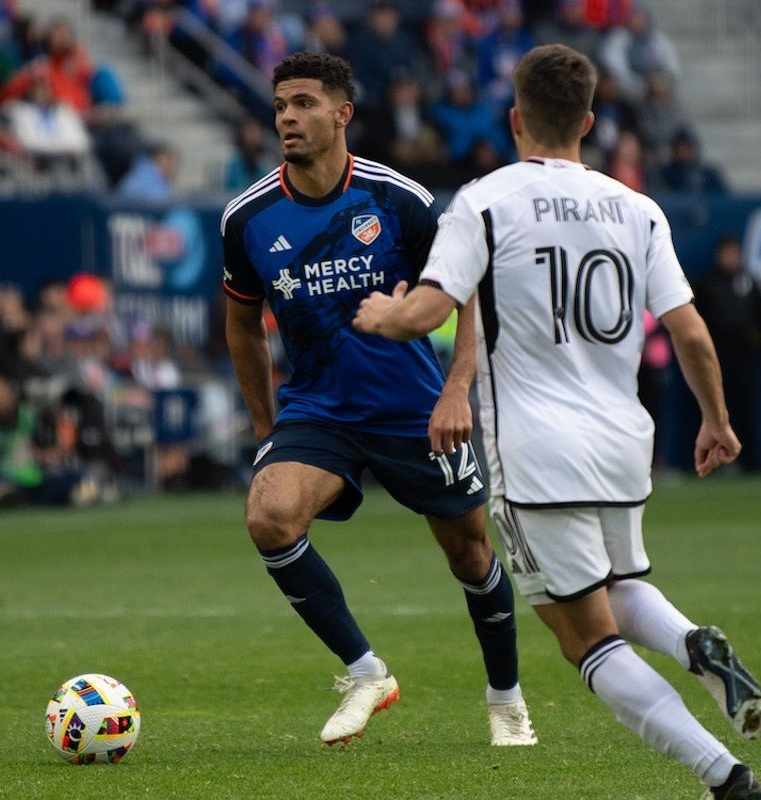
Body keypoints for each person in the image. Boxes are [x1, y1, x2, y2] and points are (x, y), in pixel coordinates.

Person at [353, 45, 761, 800]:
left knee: (585, 637)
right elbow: (693, 333)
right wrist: (716, 419)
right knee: (618, 583)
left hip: (536, 450)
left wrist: (384, 314)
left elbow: (427, 311)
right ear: (589, 122)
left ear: (515, 120)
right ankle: (692, 643)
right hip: (621, 442)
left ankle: (725, 776)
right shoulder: (637, 207)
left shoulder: (483, 201)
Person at [222, 52, 534, 748]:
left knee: (470, 554)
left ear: (342, 114)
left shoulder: (400, 201)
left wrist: (458, 389)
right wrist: (267, 426)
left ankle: (506, 698)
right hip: (318, 410)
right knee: (269, 517)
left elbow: (468, 289)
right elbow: (241, 321)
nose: (287, 118)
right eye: (279, 106)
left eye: (303, 103)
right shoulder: (249, 218)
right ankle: (367, 672)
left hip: (413, 410)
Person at [693, 236, 761, 470]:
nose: (731, 258)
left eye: (734, 253)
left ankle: (750, 460)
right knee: (717, 407)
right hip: (717, 354)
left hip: (745, 354)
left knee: (747, 408)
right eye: (727, 253)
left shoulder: (748, 281)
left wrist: (758, 343)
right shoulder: (707, 283)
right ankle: (717, 461)